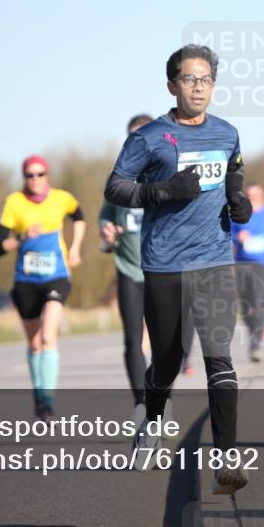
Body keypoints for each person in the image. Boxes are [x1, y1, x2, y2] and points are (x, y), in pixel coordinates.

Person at [104, 44, 251, 495]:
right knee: (166, 362)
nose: (198, 87)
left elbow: (235, 176)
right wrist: (163, 190)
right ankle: (151, 421)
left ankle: (228, 460)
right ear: (172, 85)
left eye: (205, 79)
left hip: (213, 261)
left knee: (220, 360)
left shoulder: (227, 133)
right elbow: (116, 187)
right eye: (189, 79)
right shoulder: (149, 137)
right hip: (165, 263)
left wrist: (239, 201)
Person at [0, 155, 85, 421]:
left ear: (48, 175)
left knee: (47, 336)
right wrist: (21, 238)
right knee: (34, 344)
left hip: (56, 276)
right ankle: (39, 397)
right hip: (26, 281)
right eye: (30, 175)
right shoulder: (14, 203)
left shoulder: (61, 198)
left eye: (40, 174)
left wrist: (76, 248)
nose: (35, 179)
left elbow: (80, 217)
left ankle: (48, 403)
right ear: (24, 177)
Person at [99, 114, 154, 410]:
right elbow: (106, 213)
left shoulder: (166, 172)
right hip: (128, 269)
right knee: (133, 340)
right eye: (133, 137)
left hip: (162, 270)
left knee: (165, 346)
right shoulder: (119, 178)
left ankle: (161, 402)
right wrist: (106, 229)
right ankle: (142, 405)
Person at [232, 184, 264, 362]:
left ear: (262, 195)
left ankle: (255, 345)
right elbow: (227, 233)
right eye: (249, 195)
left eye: (256, 194)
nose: (253, 197)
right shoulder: (238, 212)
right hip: (242, 263)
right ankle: (257, 329)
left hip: (262, 263)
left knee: (259, 302)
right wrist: (238, 237)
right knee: (245, 306)